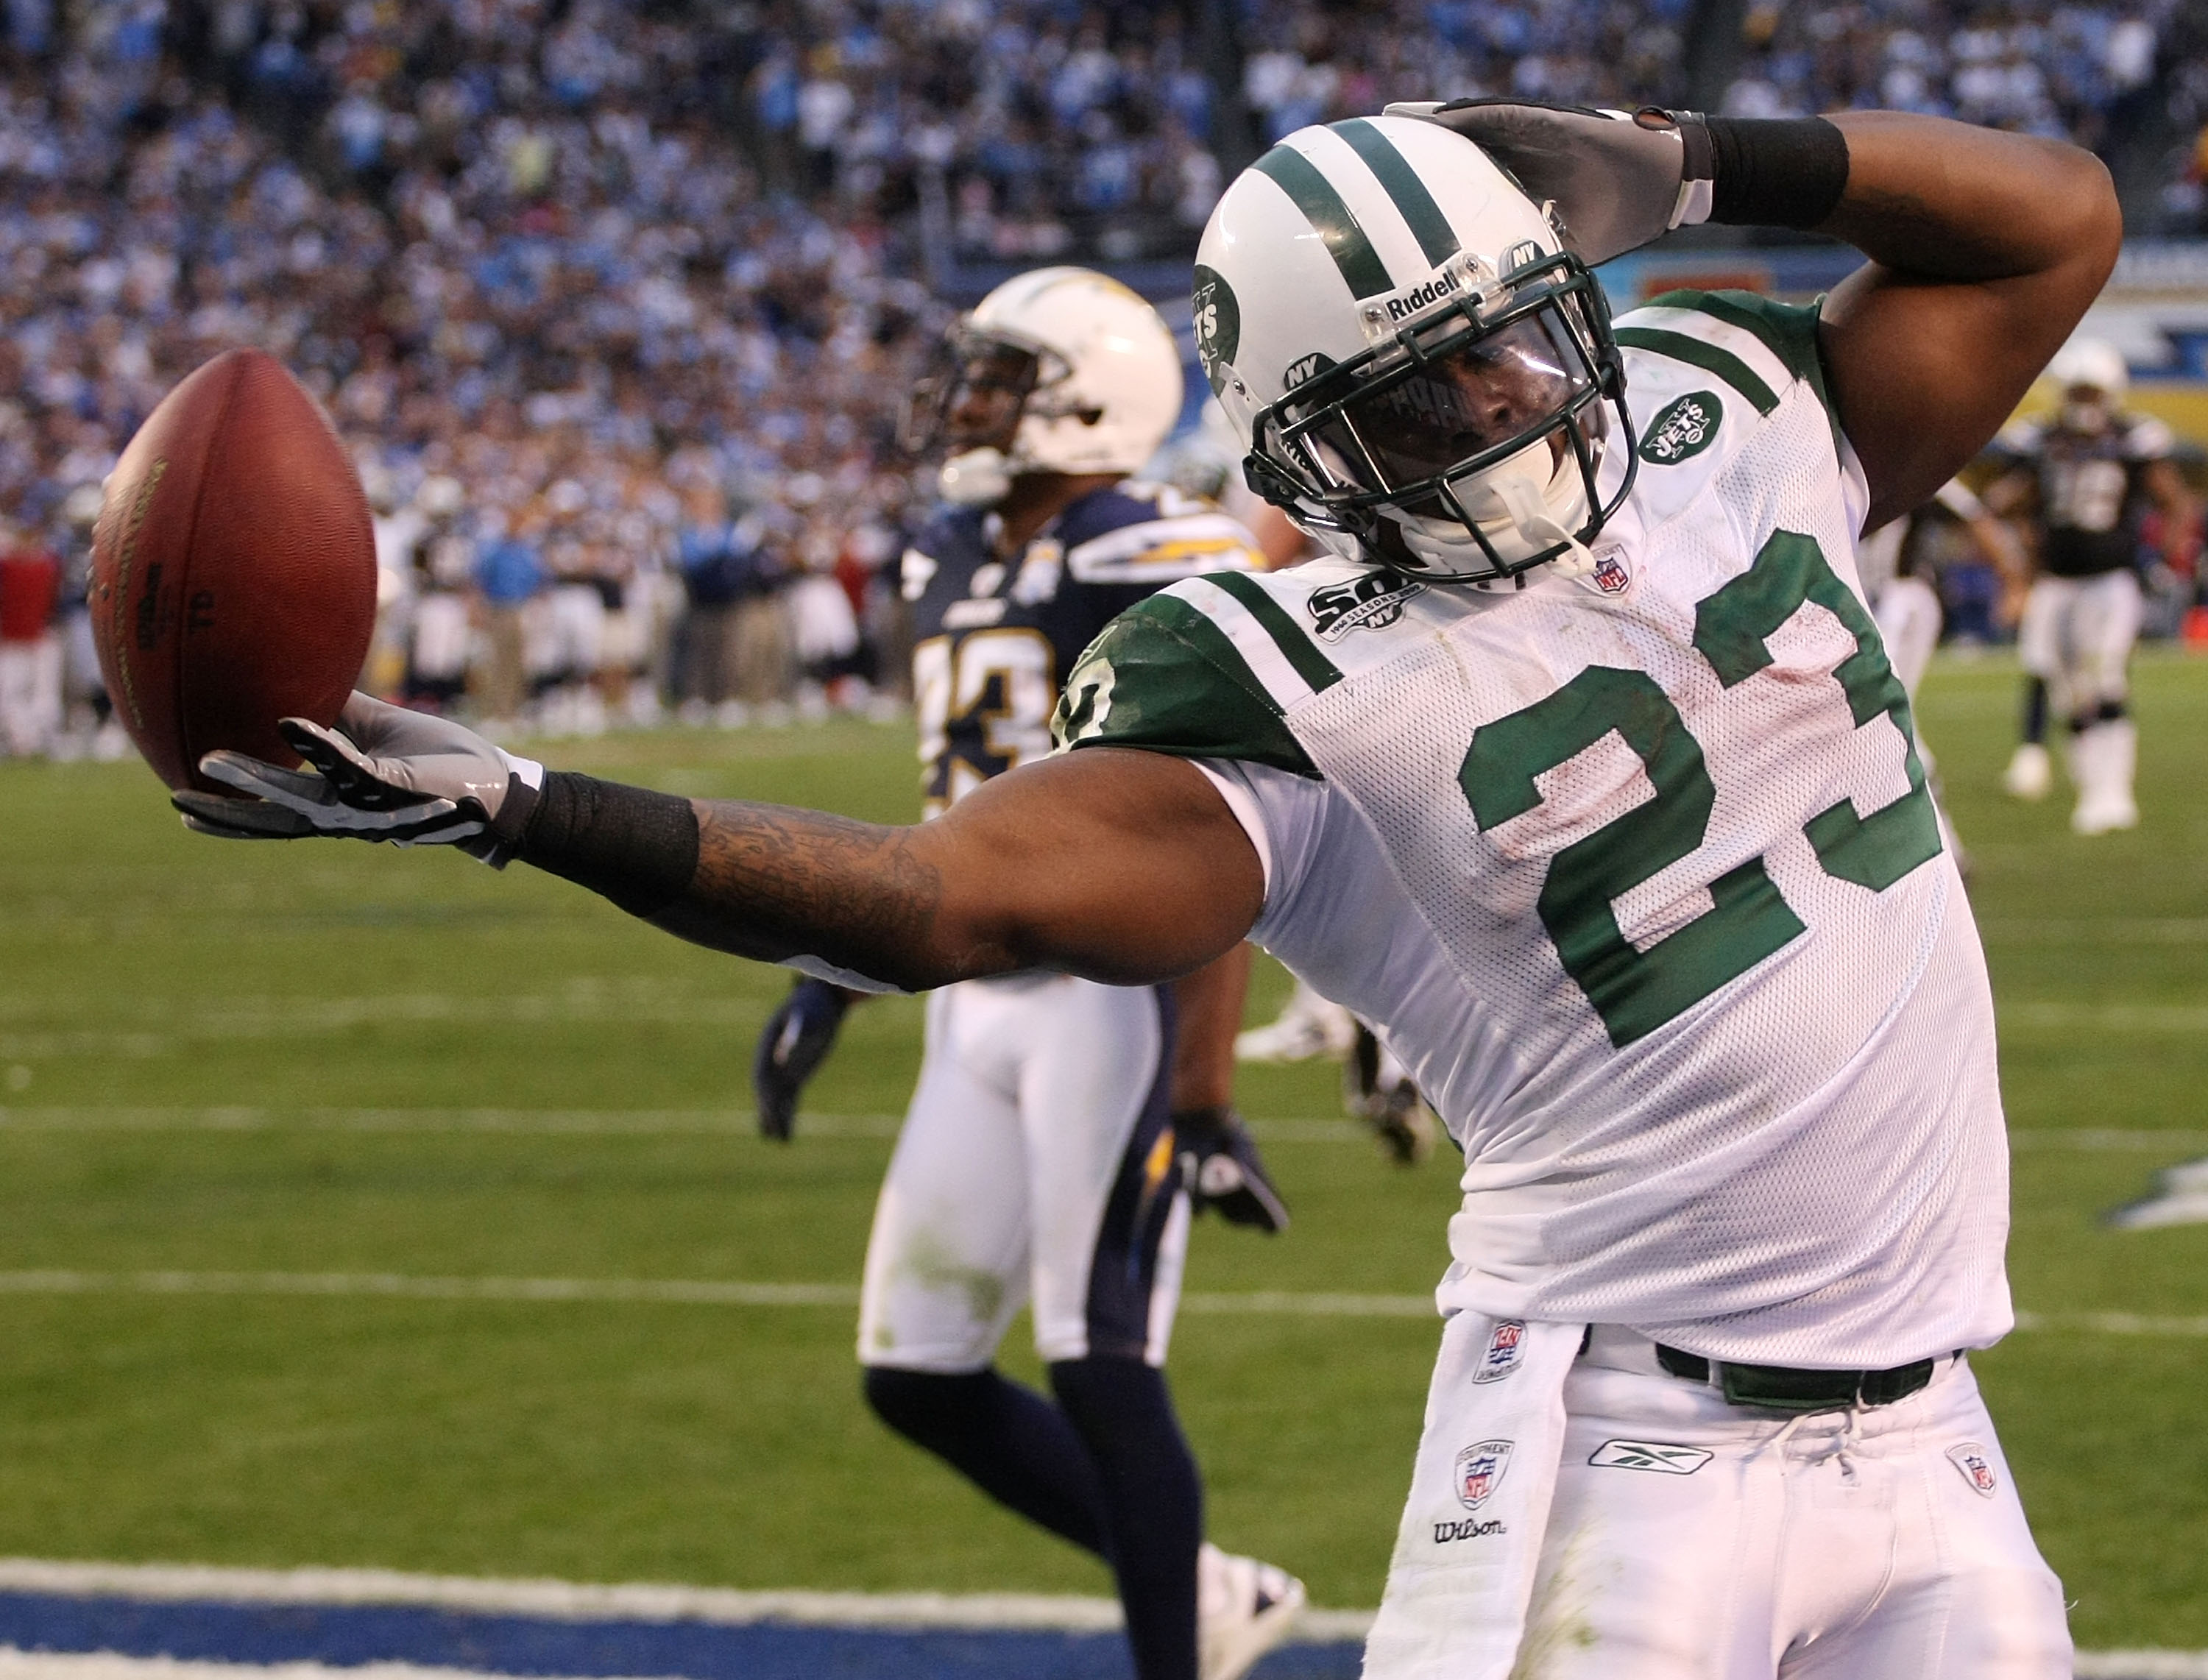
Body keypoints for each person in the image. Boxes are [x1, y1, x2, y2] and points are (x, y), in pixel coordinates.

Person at [177, 103, 2117, 1679]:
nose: (1502, 410)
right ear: (1307, 461)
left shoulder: (1734, 412)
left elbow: (2059, 221)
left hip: (1933, 1421)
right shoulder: (1286, 672)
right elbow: (947, 899)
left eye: (1510, 340)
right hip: (1619, 1445)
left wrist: (1703, 156)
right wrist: (531, 801)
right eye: (1420, 399)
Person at [746, 267, 1303, 1680]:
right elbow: (946, 806)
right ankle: (1211, 1589)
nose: (967, 403)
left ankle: (1176, 1650)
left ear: (1086, 399)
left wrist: (1205, 1080)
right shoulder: (953, 549)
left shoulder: (1151, 549)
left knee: (1102, 1361)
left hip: (1109, 994)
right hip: (973, 999)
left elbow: (1216, 817)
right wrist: (832, 976)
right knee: (916, 1372)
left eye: (1000, 379)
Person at [1987, 338, 2199, 833]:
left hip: (2110, 581)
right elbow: (2003, 503)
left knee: (2106, 681)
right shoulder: (2040, 440)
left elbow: (2177, 503)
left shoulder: (2132, 439)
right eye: (2077, 393)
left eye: (2090, 393)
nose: (2083, 404)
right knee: (2067, 690)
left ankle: (2115, 792)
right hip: (2057, 582)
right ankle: (2090, 790)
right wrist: (2018, 563)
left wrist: (2164, 564)